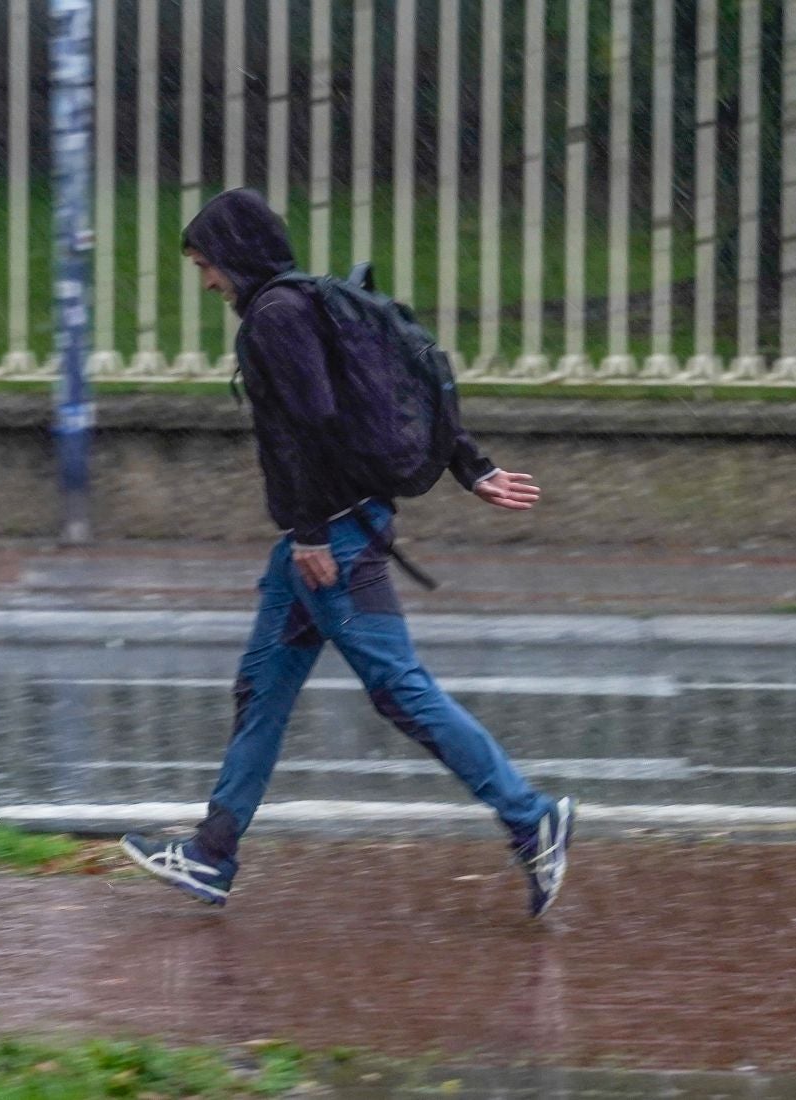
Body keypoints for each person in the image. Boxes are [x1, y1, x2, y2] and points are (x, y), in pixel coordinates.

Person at [120, 189, 575, 918]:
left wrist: (307, 532)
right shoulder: (308, 303)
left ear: (234, 257)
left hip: (330, 537)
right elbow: (388, 386)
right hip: (323, 531)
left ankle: (530, 817)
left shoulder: (274, 319)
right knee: (261, 691)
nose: (207, 282)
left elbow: (310, 424)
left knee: (401, 690)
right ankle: (211, 853)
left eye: (207, 265)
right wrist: (472, 466)